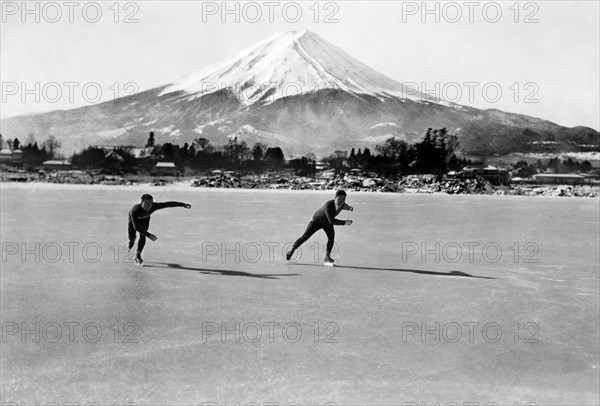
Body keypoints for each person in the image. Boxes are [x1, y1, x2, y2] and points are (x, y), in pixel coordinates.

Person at [286, 189, 353, 265]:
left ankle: (327, 257)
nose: (341, 201)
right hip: (317, 221)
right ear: (335, 197)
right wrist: (344, 222)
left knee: (331, 238)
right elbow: (332, 221)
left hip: (327, 223)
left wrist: (350, 208)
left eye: (343, 199)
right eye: (339, 199)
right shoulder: (328, 205)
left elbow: (346, 206)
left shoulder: (343, 205)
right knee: (305, 237)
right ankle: (292, 250)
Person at [128, 194, 192, 264]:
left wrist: (183, 204)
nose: (148, 206)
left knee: (143, 235)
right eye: (146, 203)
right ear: (141, 202)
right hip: (133, 221)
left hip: (145, 219)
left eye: (150, 203)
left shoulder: (155, 206)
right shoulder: (135, 210)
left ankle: (138, 255)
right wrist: (149, 235)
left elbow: (168, 204)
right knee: (132, 237)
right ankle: (132, 241)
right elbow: (136, 227)